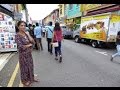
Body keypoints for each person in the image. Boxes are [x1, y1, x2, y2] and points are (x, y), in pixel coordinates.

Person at [15, 21, 38, 87]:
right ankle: (24, 81)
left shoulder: (26, 33)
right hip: (22, 55)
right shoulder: (17, 35)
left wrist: (28, 34)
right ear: (18, 26)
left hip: (29, 54)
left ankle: (31, 78)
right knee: (24, 68)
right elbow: (20, 46)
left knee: (30, 66)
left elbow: (33, 42)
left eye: (24, 25)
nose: (23, 27)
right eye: (21, 25)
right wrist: (28, 45)